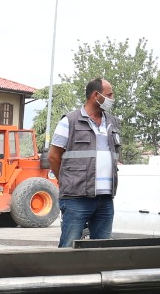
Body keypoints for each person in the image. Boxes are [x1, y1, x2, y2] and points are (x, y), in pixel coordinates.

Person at [48, 78, 120, 248]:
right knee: (68, 247)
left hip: (106, 199)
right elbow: (53, 156)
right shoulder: (69, 121)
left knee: (101, 251)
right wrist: (65, 181)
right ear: (96, 95)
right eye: (109, 94)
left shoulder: (113, 123)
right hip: (76, 199)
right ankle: (63, 275)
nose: (113, 98)